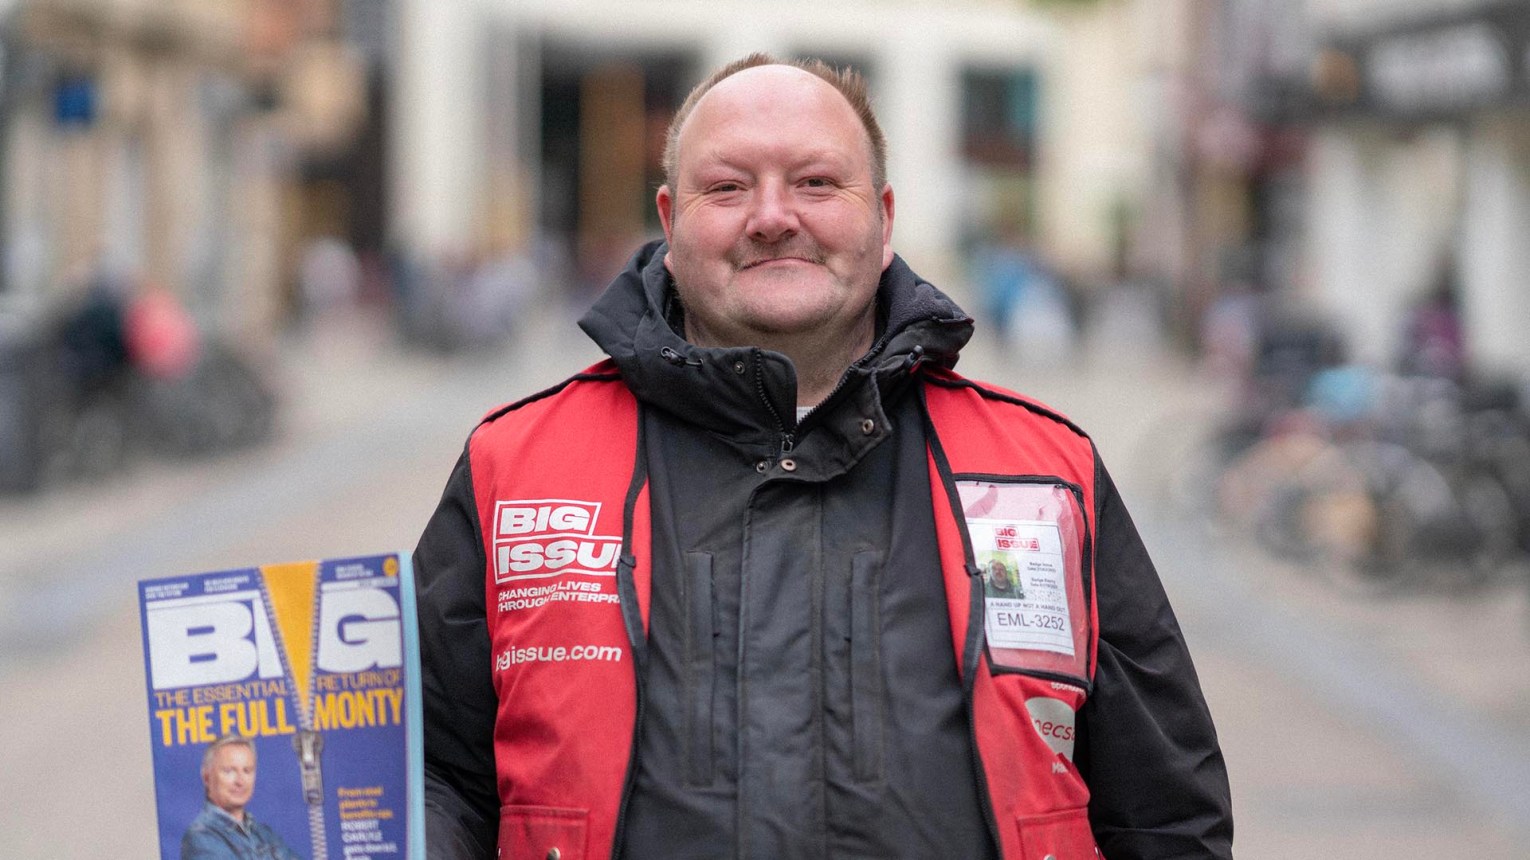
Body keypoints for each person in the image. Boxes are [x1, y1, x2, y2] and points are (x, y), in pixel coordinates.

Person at [415, 54, 1232, 859]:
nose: (773, 216)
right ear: (669, 224)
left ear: (882, 218)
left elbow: (1165, 816)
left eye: (815, 182)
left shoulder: (1047, 471)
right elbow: (431, 777)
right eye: (728, 187)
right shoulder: (513, 466)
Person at [181, 735, 299, 860]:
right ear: (206, 777)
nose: (240, 781)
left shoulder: (263, 833)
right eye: (229, 771)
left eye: (247, 771)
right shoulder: (200, 837)